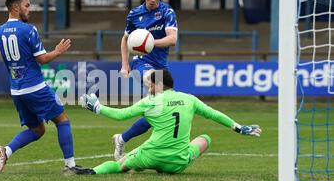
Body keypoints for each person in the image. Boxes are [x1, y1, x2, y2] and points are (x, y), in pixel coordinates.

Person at [0, 0, 93, 175]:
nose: (29, 9)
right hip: (35, 87)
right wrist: (57, 51)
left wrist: (4, 48)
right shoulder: (29, 29)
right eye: (26, 5)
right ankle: (70, 166)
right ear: (15, 8)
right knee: (62, 119)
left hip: (17, 91)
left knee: (37, 129)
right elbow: (41, 59)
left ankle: (5, 152)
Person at [79, 70, 262, 175]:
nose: (149, 88)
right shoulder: (189, 99)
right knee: (205, 139)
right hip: (177, 163)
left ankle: (92, 172)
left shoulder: (150, 101)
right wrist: (238, 127)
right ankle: (165, 162)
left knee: (121, 164)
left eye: (150, 85)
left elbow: (121, 115)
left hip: (151, 156)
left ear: (158, 85)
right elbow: (214, 114)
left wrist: (97, 107)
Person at [115, 0, 178, 161]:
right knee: (157, 96)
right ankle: (155, 149)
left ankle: (122, 138)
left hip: (161, 64)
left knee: (158, 110)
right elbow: (125, 39)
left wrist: (149, 43)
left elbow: (172, 39)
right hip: (142, 62)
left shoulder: (167, 11)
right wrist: (125, 65)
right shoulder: (134, 14)